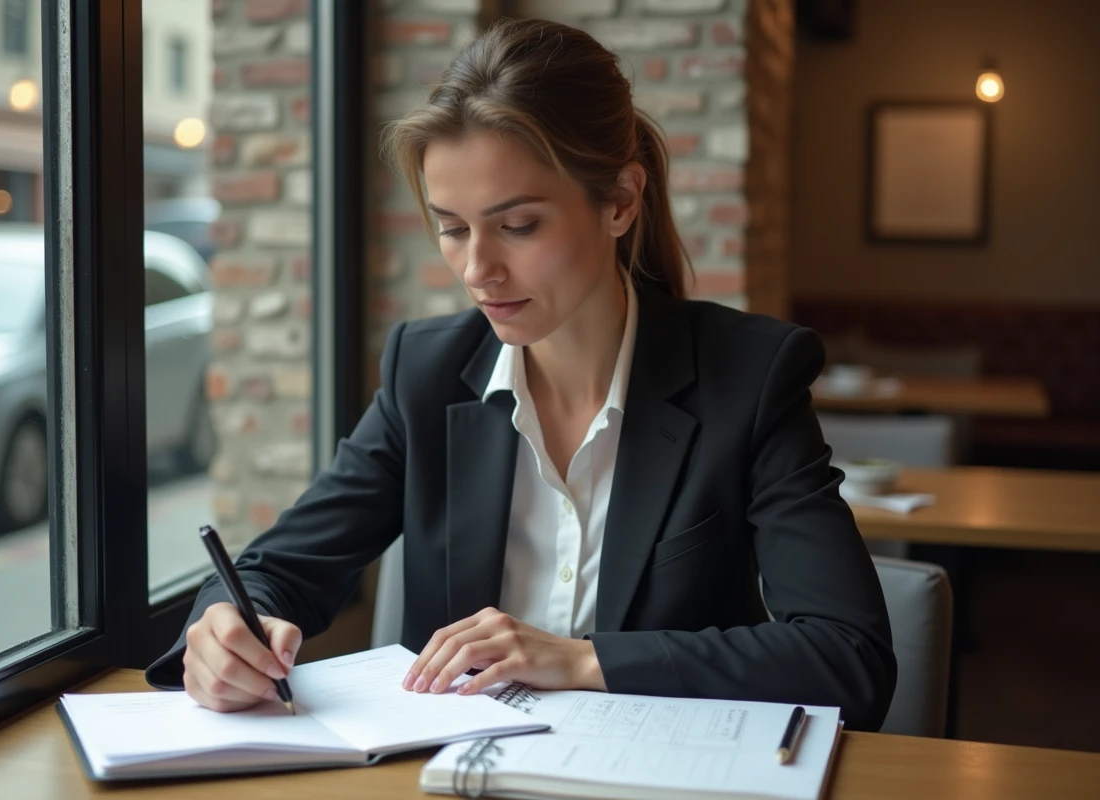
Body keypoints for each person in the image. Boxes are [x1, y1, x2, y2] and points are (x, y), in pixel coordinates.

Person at [147, 17, 896, 732]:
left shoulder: (748, 377)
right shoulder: (428, 373)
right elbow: (280, 568)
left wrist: (580, 660)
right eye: (452, 227)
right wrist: (222, 630)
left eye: (517, 225)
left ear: (620, 202)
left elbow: (847, 659)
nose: (478, 269)